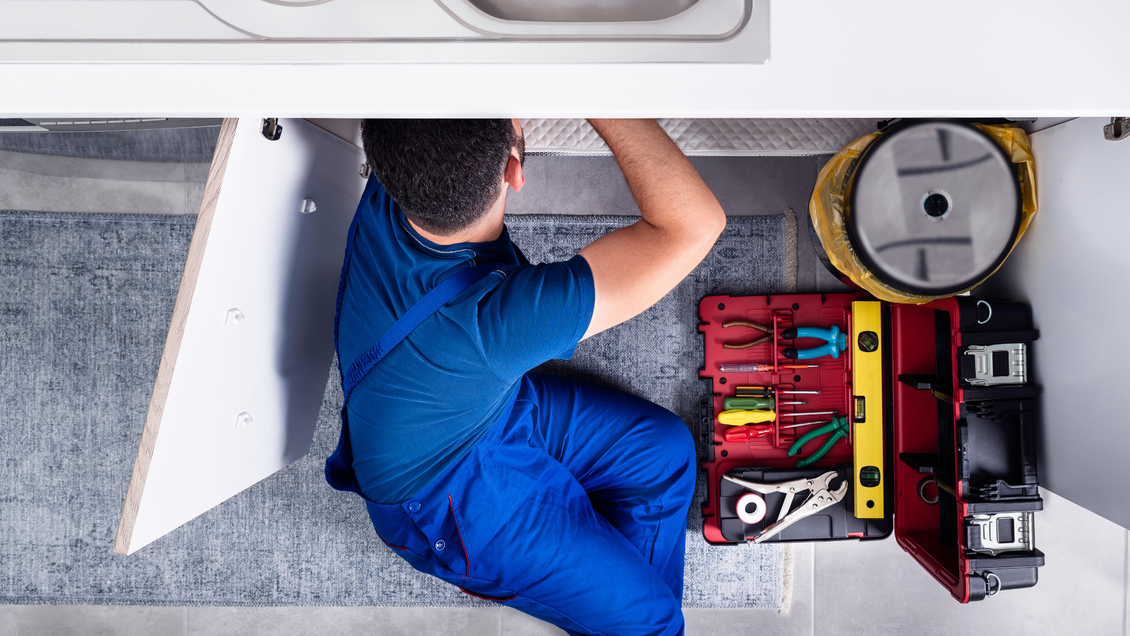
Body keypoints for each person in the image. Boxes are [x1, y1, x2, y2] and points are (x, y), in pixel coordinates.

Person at [328, 118, 726, 635]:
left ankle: (623, 612)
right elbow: (693, 225)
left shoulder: (402, 168)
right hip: (444, 496)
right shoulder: (502, 320)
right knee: (653, 624)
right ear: (515, 170)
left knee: (665, 452)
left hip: (477, 411)